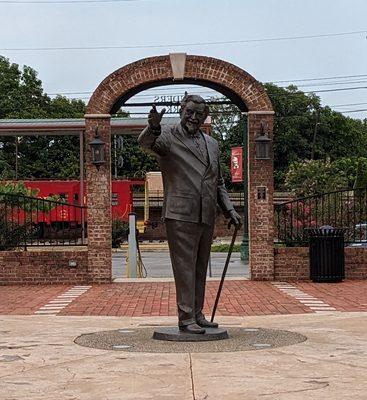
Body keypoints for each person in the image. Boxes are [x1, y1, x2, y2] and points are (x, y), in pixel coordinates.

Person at [138, 95, 241, 334]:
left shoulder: (212, 143)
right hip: (180, 213)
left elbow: (219, 182)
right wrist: (153, 127)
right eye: (190, 112)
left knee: (200, 266)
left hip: (206, 213)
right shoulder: (167, 136)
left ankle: (197, 313)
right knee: (184, 268)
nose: (194, 117)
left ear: (205, 117)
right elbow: (146, 143)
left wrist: (230, 209)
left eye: (199, 114)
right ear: (182, 110)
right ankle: (185, 318)